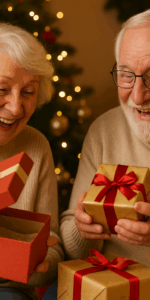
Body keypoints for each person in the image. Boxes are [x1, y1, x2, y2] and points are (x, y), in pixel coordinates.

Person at [60, 9, 150, 268]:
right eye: (125, 74)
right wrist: (83, 228)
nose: (137, 96)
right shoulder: (104, 130)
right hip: (109, 281)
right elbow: (73, 249)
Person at [0, 22, 64, 300]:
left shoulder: (36, 145)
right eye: (2, 89)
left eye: (28, 92)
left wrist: (38, 264)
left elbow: (54, 246)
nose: (15, 108)